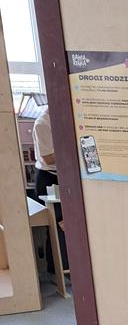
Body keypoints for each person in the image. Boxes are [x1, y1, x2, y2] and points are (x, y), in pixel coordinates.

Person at [32, 104, 69, 274]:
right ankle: (57, 270)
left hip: (64, 175)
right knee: (57, 224)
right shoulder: (42, 123)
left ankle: (66, 269)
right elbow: (47, 158)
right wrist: (71, 148)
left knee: (67, 223)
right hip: (48, 177)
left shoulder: (63, 119)